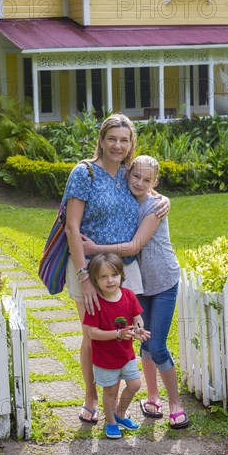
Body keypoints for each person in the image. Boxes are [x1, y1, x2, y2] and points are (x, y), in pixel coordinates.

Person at [62, 114, 170, 423]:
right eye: (112, 139)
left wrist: (166, 200)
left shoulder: (127, 174)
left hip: (124, 270)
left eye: (124, 140)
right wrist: (84, 278)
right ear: (101, 140)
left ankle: (115, 402)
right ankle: (91, 397)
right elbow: (72, 228)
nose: (117, 146)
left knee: (125, 332)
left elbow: (149, 190)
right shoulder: (85, 173)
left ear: (131, 144)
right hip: (89, 268)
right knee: (92, 335)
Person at [82, 155, 189, 429]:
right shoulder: (126, 200)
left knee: (158, 344)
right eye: (136, 176)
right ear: (128, 174)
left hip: (163, 279)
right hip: (139, 283)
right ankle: (152, 398)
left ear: (155, 182)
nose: (140, 183)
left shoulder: (156, 206)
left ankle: (176, 404)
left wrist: (94, 250)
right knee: (143, 338)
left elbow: (135, 245)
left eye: (147, 179)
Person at [83, 252, 151, 439]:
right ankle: (111, 422)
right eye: (103, 277)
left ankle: (120, 413)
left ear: (121, 275)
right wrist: (117, 334)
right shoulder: (96, 303)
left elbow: (137, 319)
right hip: (105, 359)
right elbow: (92, 333)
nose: (110, 280)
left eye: (114, 275)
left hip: (126, 355)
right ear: (95, 281)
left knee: (135, 384)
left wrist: (138, 330)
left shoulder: (128, 295)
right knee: (110, 391)